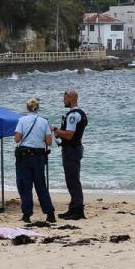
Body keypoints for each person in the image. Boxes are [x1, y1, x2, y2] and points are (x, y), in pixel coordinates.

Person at [14, 98, 55, 223]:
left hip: (25, 156)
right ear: (38, 108)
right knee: (41, 185)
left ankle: (27, 214)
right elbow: (49, 142)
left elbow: (17, 139)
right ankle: (50, 214)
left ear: (27, 108)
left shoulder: (22, 120)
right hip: (39, 156)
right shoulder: (44, 122)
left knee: (25, 185)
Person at [51, 88, 88, 220]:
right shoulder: (81, 113)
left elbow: (69, 135)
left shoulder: (73, 115)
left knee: (72, 180)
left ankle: (77, 210)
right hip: (74, 149)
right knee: (72, 179)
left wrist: (55, 129)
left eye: (65, 98)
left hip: (71, 150)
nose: (63, 100)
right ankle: (73, 207)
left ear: (72, 98)